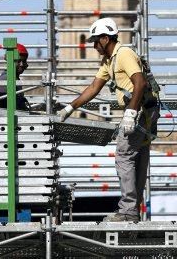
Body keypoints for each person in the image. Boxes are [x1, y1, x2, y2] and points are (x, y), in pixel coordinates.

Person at [58, 18, 159, 222]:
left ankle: (128, 210)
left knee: (123, 154)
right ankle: (132, 211)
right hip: (142, 111)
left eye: (96, 41)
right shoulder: (109, 61)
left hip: (138, 111)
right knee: (137, 158)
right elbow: (94, 88)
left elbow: (139, 82)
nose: (94, 46)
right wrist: (70, 107)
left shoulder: (124, 54)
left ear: (105, 38)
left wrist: (130, 113)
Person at [0, 43, 30, 111]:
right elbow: (3, 108)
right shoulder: (5, 79)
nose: (22, 64)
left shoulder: (15, 78)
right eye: (18, 61)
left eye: (24, 61)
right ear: (10, 60)